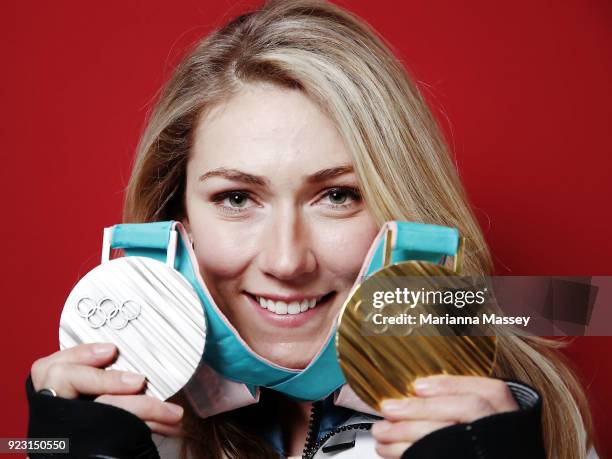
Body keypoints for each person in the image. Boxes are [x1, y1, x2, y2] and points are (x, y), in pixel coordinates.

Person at [26, 0, 597, 458]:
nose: (287, 261)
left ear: (407, 219)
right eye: (236, 197)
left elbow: (586, 305)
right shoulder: (111, 415)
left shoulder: (511, 425)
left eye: (338, 196)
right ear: (177, 225)